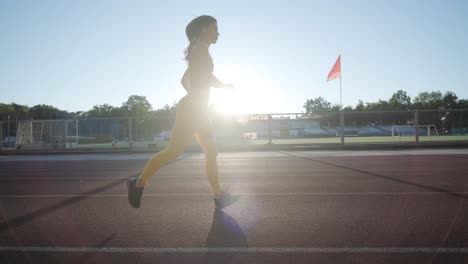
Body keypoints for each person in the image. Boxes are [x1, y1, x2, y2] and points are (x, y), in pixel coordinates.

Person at [127, 15, 238, 210]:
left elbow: (186, 79)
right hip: (192, 109)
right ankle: (137, 183)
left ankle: (218, 195)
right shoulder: (198, 50)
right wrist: (204, 93)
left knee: (211, 151)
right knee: (174, 151)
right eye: (214, 28)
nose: (218, 33)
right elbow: (202, 77)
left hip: (199, 110)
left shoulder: (200, 50)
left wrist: (207, 91)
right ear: (204, 29)